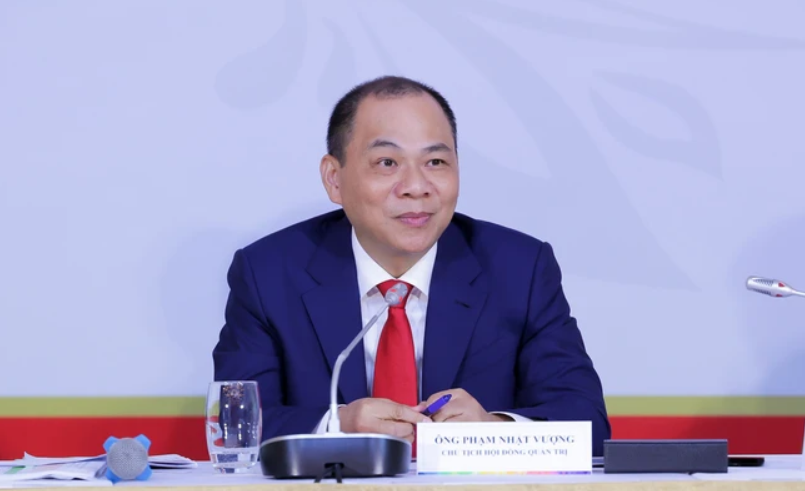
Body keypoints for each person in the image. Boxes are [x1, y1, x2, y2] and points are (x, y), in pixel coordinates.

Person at [212, 75, 611, 455]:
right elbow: (235, 426)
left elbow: (587, 424)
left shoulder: (519, 270)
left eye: (435, 162)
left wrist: (495, 430)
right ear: (334, 179)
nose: (416, 187)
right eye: (387, 163)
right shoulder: (268, 273)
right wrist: (337, 425)